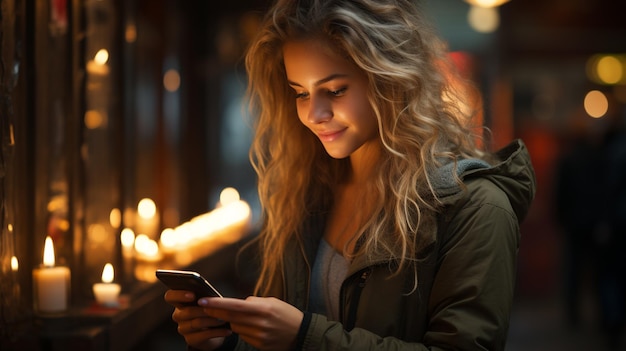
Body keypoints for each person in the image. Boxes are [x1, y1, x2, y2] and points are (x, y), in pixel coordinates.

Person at [164, 0, 536, 350]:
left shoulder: (476, 207)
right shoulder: (307, 193)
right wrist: (232, 342)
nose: (314, 114)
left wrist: (304, 337)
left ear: (391, 79)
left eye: (335, 90)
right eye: (300, 93)